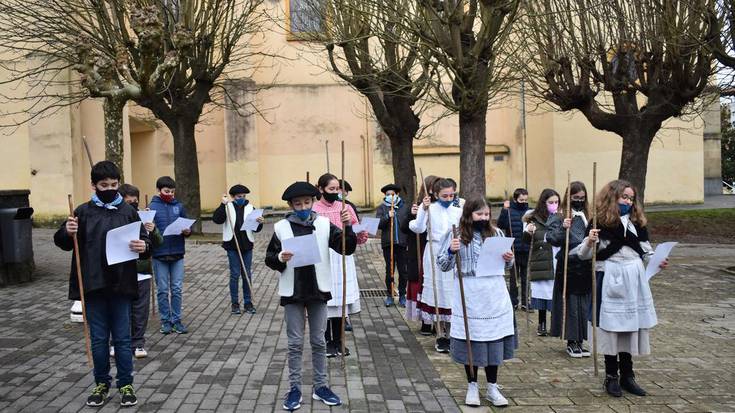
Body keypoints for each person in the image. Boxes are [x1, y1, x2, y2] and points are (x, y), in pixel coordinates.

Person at [54, 161, 150, 407]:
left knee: (122, 338)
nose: (109, 189)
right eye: (104, 185)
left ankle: (126, 383)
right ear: (93, 185)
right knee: (98, 339)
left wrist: (143, 246)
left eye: (114, 185)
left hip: (121, 284)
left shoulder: (128, 211)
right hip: (93, 284)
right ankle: (101, 383)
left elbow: (145, 242)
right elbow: (63, 242)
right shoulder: (83, 212)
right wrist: (68, 230)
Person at [265, 181, 357, 411]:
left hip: (319, 290)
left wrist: (348, 227)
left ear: (313, 202)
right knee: (295, 343)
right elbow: (270, 258)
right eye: (298, 204)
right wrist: (280, 259)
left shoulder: (325, 224)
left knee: (318, 341)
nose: (303, 206)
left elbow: (346, 247)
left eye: (307, 202)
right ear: (291, 205)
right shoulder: (281, 227)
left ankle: (321, 386)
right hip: (293, 292)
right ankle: (294, 388)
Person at [576, 180, 667, 398]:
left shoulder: (637, 223)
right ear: (612, 196)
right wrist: (590, 241)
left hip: (633, 279)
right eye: (624, 197)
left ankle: (628, 375)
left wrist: (657, 261)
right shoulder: (599, 222)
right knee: (611, 327)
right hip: (610, 276)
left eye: (631, 198)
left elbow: (645, 251)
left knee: (630, 326)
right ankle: (611, 376)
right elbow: (583, 255)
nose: (627, 201)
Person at [437, 198, 516, 407]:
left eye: (487, 214)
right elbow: (443, 265)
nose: (484, 218)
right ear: (469, 214)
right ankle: (472, 385)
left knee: (493, 341)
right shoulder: (456, 234)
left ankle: (492, 386)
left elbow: (509, 266)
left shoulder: (497, 233)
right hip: (469, 292)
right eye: (479, 214)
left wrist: (509, 258)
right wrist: (451, 251)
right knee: (472, 340)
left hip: (494, 291)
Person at [313, 173, 369, 357]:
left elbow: (355, 230)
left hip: (342, 255)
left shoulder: (345, 207)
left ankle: (339, 340)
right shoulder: (314, 209)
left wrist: (359, 230)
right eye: (331, 189)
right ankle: (327, 341)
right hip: (323, 257)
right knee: (327, 302)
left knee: (340, 302)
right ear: (321, 189)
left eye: (337, 189)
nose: (335, 192)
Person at [409, 178, 462, 353]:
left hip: (453, 252)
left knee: (452, 293)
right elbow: (418, 228)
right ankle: (440, 335)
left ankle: (452, 332)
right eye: (444, 196)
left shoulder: (458, 209)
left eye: (451, 195)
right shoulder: (430, 209)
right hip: (434, 250)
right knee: (438, 292)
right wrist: (423, 210)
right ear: (435, 194)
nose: (448, 198)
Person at [547, 181, 593, 358]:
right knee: (571, 304)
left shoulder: (587, 215)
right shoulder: (560, 216)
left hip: (585, 264)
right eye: (575, 198)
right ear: (569, 197)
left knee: (583, 303)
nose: (579, 201)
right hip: (569, 264)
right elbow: (551, 238)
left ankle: (581, 339)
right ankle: (571, 340)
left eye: (582, 198)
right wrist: (563, 228)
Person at [118, 183, 163, 359]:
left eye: (134, 202)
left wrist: (152, 231)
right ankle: (118, 343)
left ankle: (138, 343)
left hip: (142, 272)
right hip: (121, 272)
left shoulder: (145, 218)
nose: (132, 205)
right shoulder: (116, 217)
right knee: (121, 310)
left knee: (140, 311)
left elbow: (158, 243)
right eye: (128, 202)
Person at [149, 176, 192, 335]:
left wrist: (187, 231)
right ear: (159, 191)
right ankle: (165, 321)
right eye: (167, 191)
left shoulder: (179, 206)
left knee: (177, 288)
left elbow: (187, 226)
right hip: (159, 254)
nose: (170, 194)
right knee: (162, 289)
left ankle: (177, 320)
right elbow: (148, 232)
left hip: (177, 253)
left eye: (173, 192)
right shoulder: (151, 207)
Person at [212, 184, 264, 315]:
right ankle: (235, 303)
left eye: (243, 196)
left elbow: (256, 229)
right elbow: (217, 220)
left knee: (247, 274)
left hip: (246, 244)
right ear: (233, 197)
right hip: (232, 245)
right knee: (235, 274)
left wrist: (259, 222)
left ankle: (248, 302)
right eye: (239, 196)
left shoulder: (250, 208)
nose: (242, 198)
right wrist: (221, 205)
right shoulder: (227, 207)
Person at [402, 175, 438, 333]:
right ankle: (425, 321)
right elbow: (405, 228)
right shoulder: (418, 205)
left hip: (436, 250)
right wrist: (412, 214)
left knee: (436, 284)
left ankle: (439, 322)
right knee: (422, 285)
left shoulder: (442, 207)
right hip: (420, 250)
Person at [522, 188, 561, 336]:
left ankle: (555, 324)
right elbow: (525, 241)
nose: (554, 205)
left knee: (553, 293)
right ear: (543, 203)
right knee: (541, 293)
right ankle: (541, 323)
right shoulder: (533, 219)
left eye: (556, 202)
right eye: (551, 202)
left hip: (556, 258)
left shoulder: (560, 218)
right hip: (540, 259)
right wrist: (528, 232)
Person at [496, 188, 531, 311]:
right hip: (513, 249)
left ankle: (526, 302)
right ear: (515, 199)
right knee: (513, 277)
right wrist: (504, 211)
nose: (524, 202)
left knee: (526, 277)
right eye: (521, 200)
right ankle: (513, 301)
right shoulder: (509, 211)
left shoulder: (529, 211)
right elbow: (501, 225)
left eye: (526, 200)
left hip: (526, 248)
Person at [376, 183, 409, 307]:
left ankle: (402, 295)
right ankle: (390, 295)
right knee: (389, 270)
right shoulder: (382, 208)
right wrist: (387, 216)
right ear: (385, 195)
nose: (391, 196)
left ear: (398, 195)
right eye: (388, 194)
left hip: (402, 243)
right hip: (388, 244)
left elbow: (408, 224)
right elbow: (378, 224)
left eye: (393, 194)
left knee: (403, 271)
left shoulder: (404, 207)